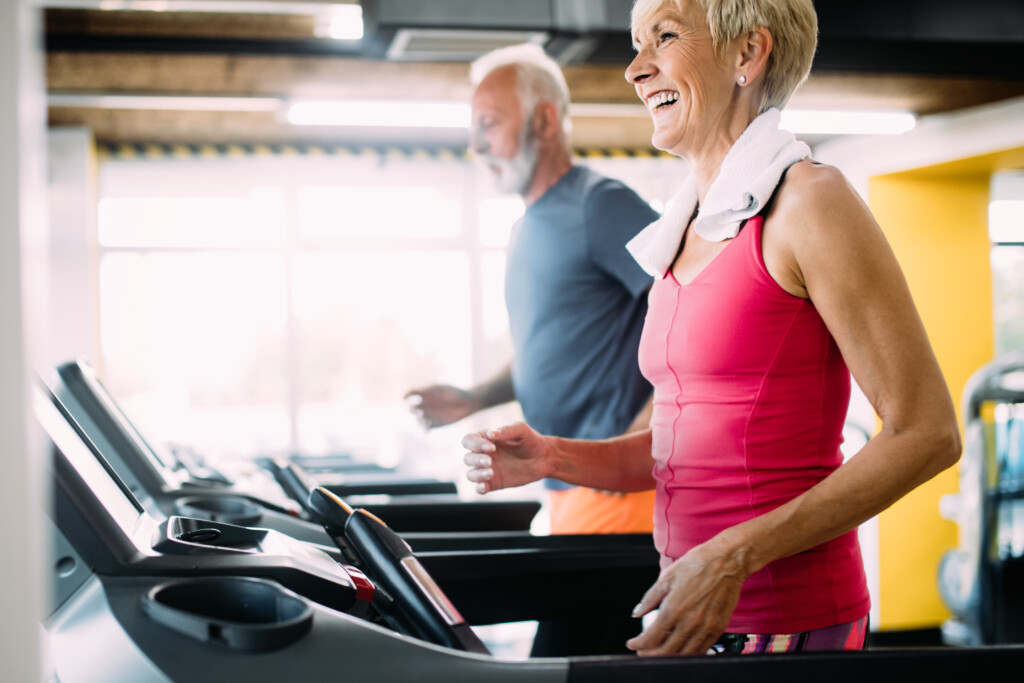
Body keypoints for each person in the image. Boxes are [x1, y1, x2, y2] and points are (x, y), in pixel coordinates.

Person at [462, 0, 962, 658]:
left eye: (663, 38)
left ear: (747, 55)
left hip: (789, 617)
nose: (636, 71)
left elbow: (926, 433)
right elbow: (680, 452)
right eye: (638, 45)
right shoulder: (687, 229)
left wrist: (732, 555)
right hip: (690, 606)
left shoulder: (809, 203)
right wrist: (556, 455)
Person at [405, 43, 660, 539]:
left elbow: (695, 305)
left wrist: (650, 427)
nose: (477, 146)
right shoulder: (527, 228)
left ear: (544, 121)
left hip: (618, 492)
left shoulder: (599, 205)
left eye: (490, 124)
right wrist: (474, 397)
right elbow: (547, 351)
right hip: (566, 485)